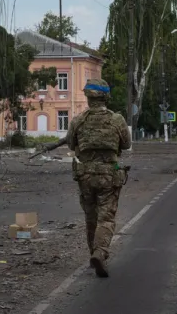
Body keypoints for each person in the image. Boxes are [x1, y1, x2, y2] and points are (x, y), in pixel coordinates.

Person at [44, 78, 132, 277]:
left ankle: (93, 252)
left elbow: (71, 145)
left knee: (90, 218)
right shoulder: (116, 119)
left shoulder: (78, 120)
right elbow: (126, 145)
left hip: (85, 176)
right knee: (106, 218)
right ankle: (100, 252)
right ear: (106, 97)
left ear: (87, 97)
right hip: (109, 176)